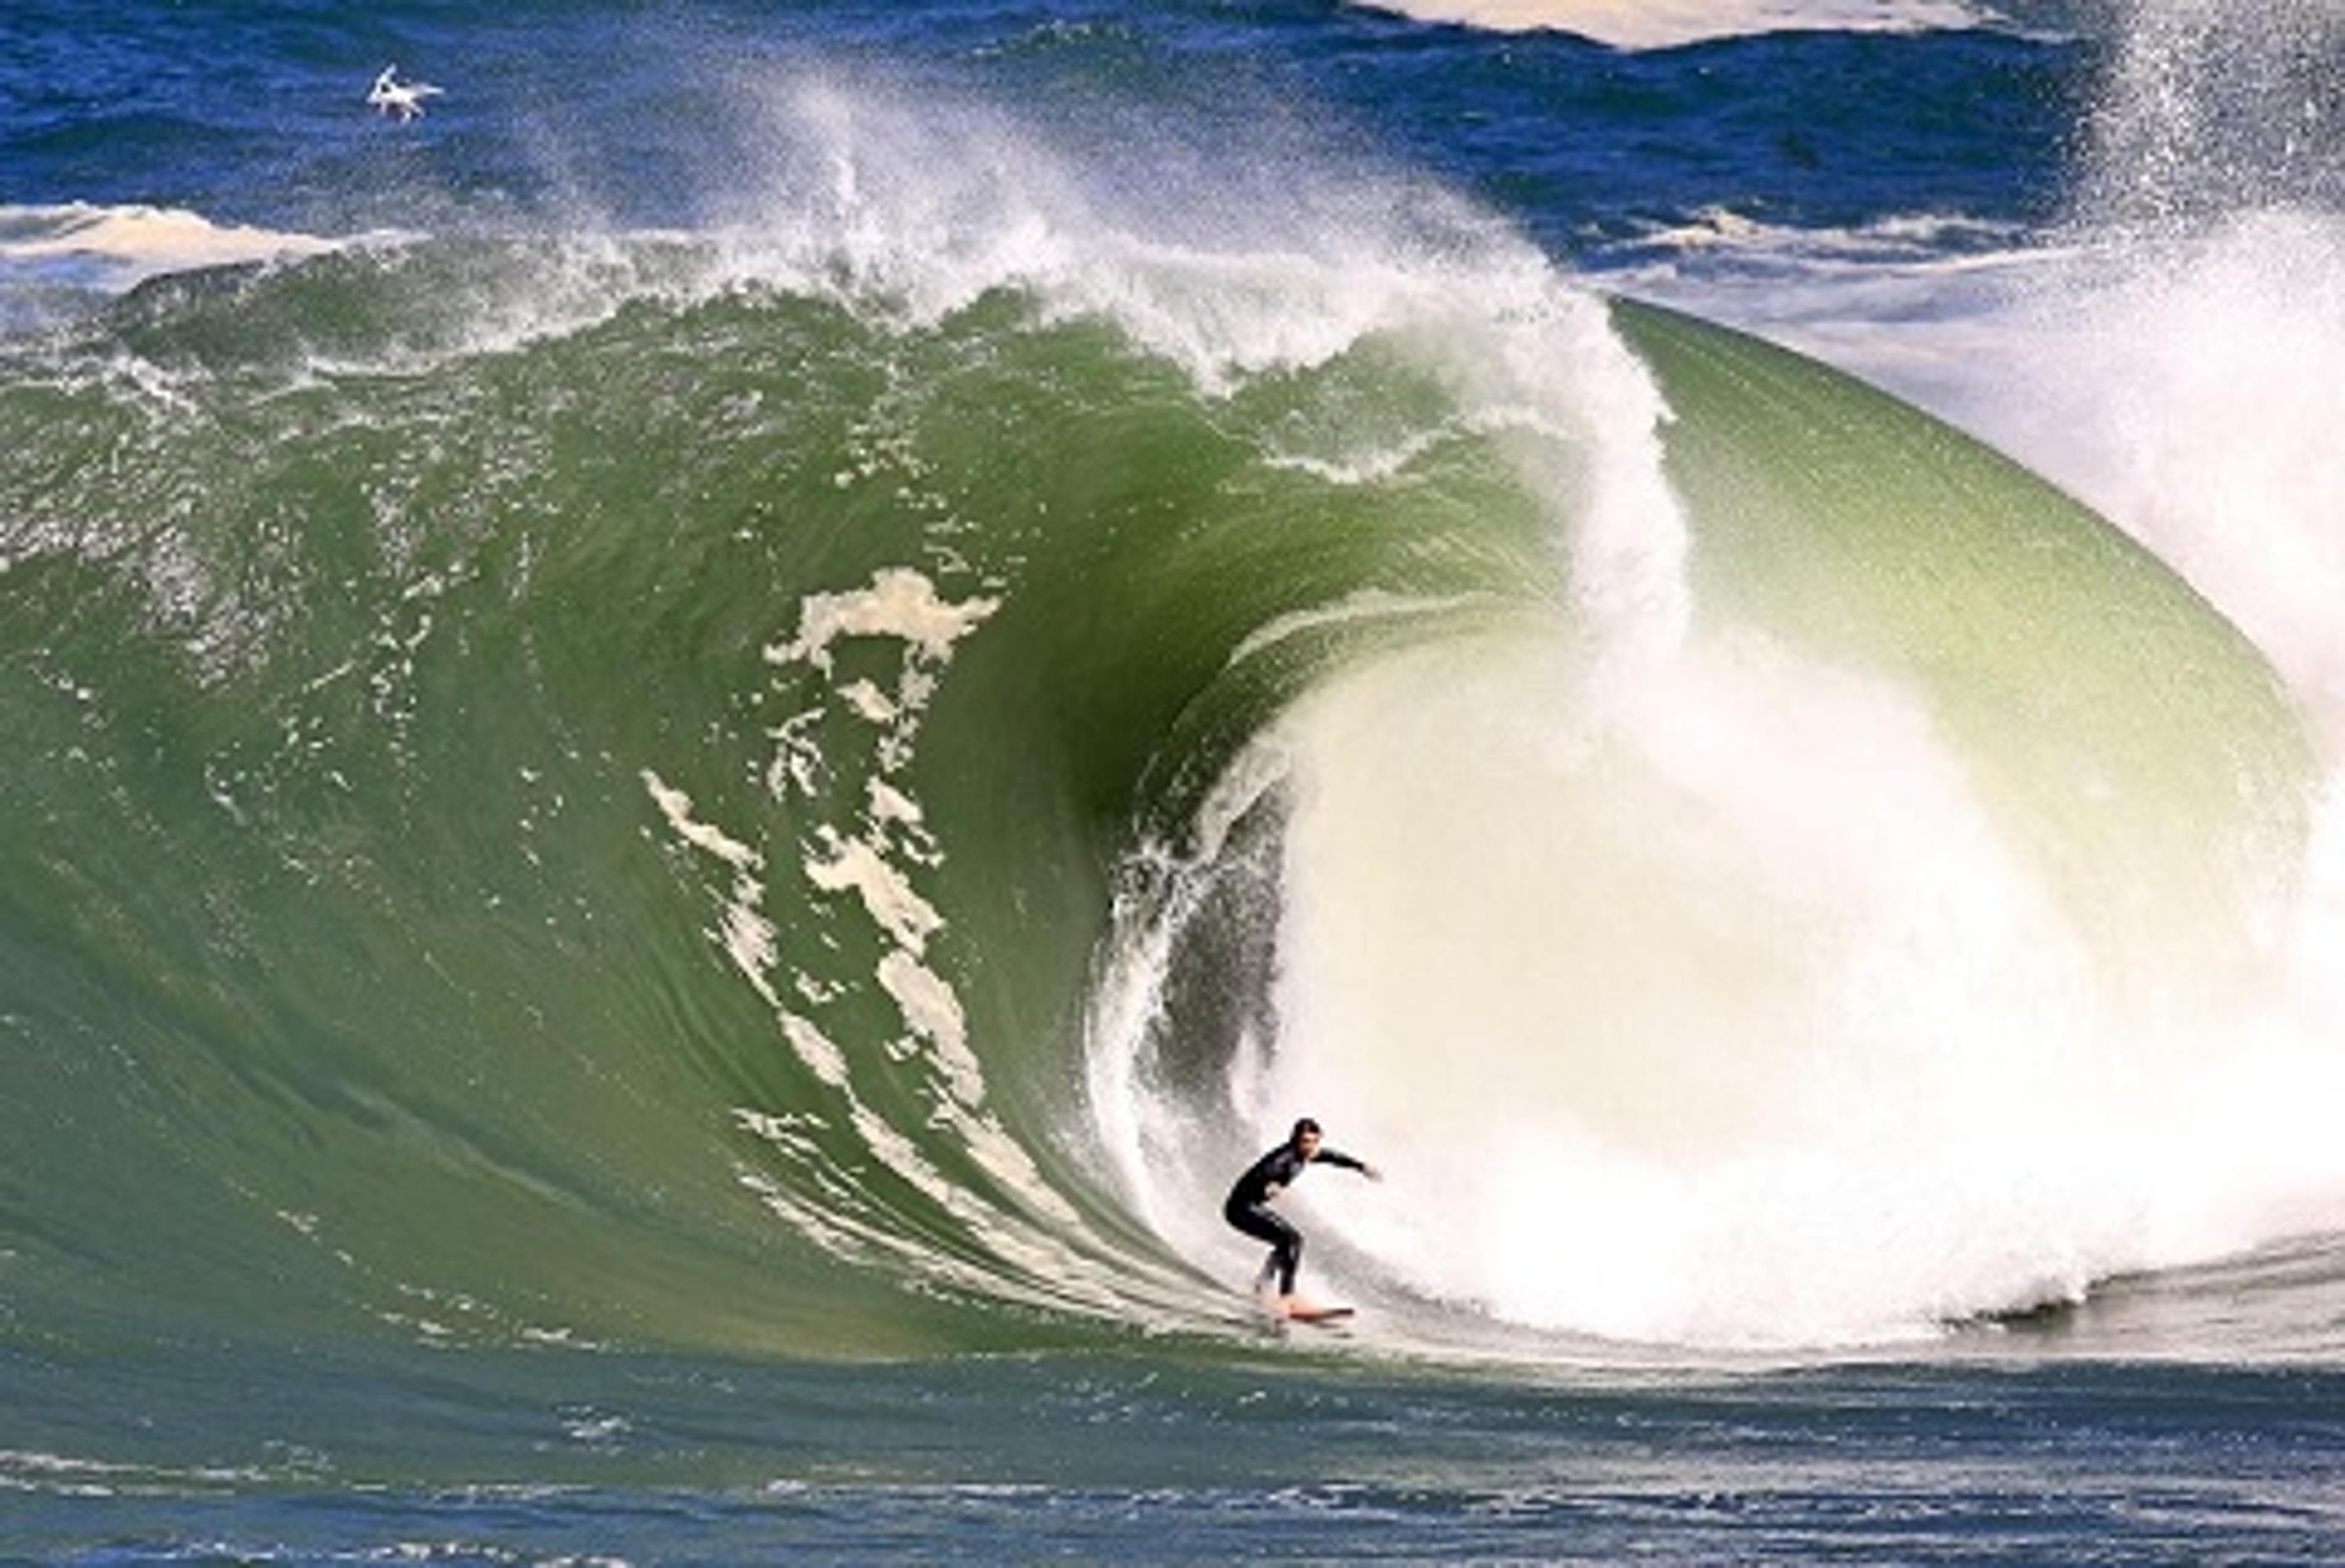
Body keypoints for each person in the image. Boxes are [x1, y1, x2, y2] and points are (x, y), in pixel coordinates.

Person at [1223, 1117, 1380, 1306]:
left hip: (1249, 1207)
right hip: (1240, 1210)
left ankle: (1262, 1284)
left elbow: (1332, 1157)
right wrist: (1271, 1186)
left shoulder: (1306, 1154)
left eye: (1315, 1141)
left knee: (1285, 1243)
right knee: (1293, 1240)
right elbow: (1265, 1173)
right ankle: (1287, 1296)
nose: (1310, 1146)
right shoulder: (1284, 1158)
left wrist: (1361, 1167)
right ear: (1295, 1140)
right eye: (1305, 1141)